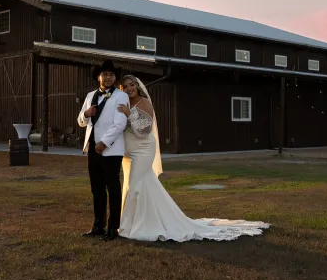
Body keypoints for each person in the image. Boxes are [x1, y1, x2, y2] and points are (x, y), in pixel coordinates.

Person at [116, 75, 269, 242]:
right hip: (128, 152)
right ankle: (135, 222)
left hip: (144, 149)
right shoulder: (124, 103)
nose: (129, 88)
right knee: (136, 184)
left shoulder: (144, 103)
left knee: (135, 184)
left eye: (132, 85)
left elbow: (145, 130)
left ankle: (133, 227)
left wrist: (129, 114)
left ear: (138, 86)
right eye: (125, 86)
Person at [77, 60, 131, 241]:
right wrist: (85, 114)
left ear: (115, 78)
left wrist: (104, 143)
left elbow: (120, 124)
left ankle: (113, 228)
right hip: (92, 148)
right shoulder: (90, 95)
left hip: (111, 150)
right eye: (105, 74)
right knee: (97, 189)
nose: (108, 78)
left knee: (113, 188)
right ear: (98, 76)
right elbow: (81, 121)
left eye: (111, 75)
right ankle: (98, 226)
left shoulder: (121, 96)